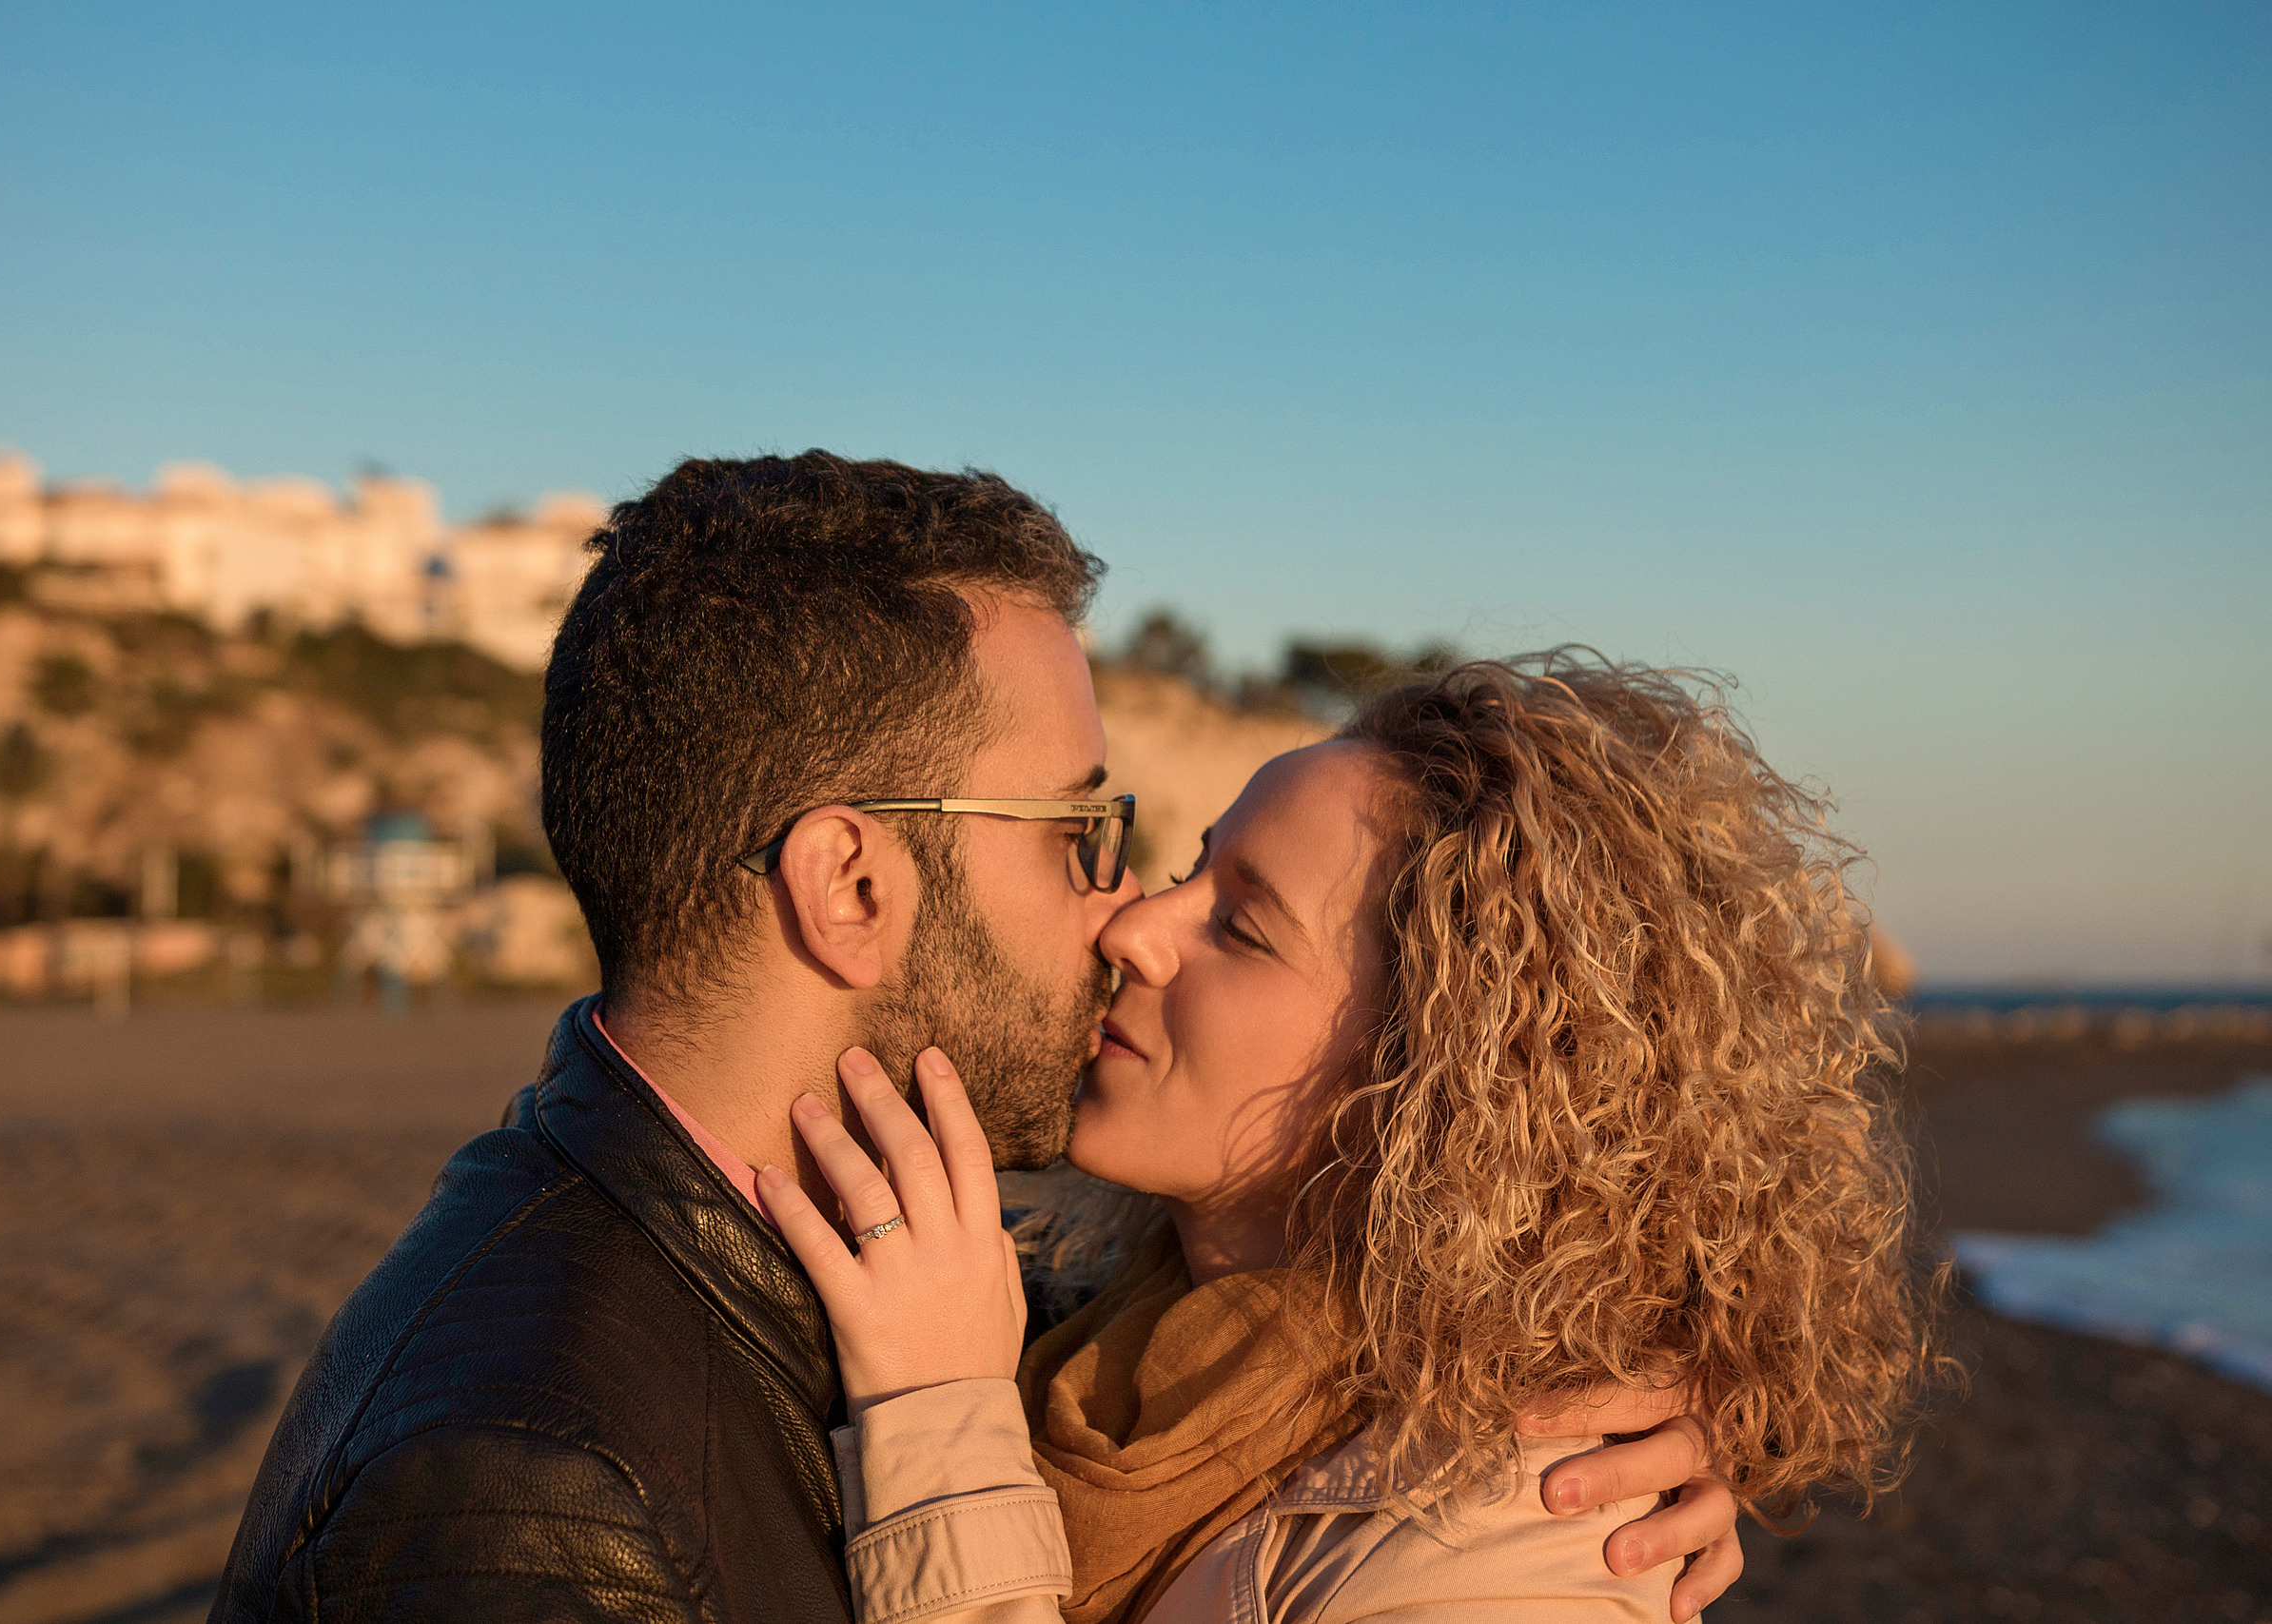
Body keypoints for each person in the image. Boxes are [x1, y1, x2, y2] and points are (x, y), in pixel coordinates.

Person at [209, 458, 1744, 1622]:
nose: (1125, 910)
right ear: (855, 885)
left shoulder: (982, 1315)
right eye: (1080, 828)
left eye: (1230, 909)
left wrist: (1606, 1403)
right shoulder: (533, 1491)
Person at [767, 654, 1943, 1623]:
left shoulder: (1522, 1568)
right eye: (1189, 872)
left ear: (1440, 1075)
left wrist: (938, 1420)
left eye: (1241, 924)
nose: (1132, 928)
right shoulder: (1092, 1333)